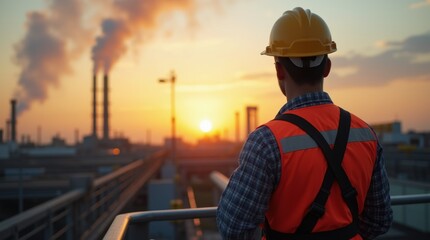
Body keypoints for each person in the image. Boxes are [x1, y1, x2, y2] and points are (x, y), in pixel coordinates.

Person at [216, 7, 393, 240]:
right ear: (327, 67)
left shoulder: (266, 141)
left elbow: (234, 228)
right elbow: (379, 220)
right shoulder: (364, 134)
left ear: (279, 70)